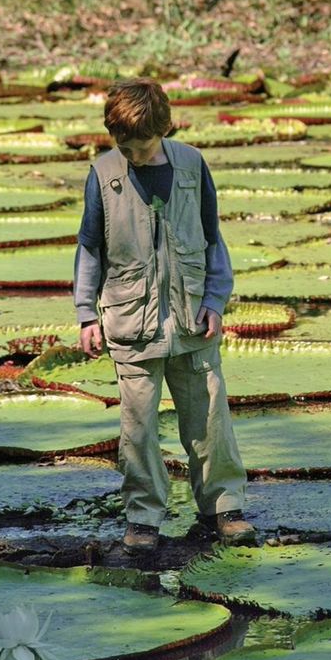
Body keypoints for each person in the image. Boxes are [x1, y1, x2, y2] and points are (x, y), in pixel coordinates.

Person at [73, 78, 255, 554]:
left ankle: (225, 507)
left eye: (141, 146)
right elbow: (89, 249)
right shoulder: (104, 174)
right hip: (131, 322)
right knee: (138, 428)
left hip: (193, 319)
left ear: (165, 129)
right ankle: (144, 517)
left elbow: (213, 238)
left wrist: (215, 301)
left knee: (210, 418)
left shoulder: (193, 165)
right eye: (123, 146)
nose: (132, 155)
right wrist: (86, 314)